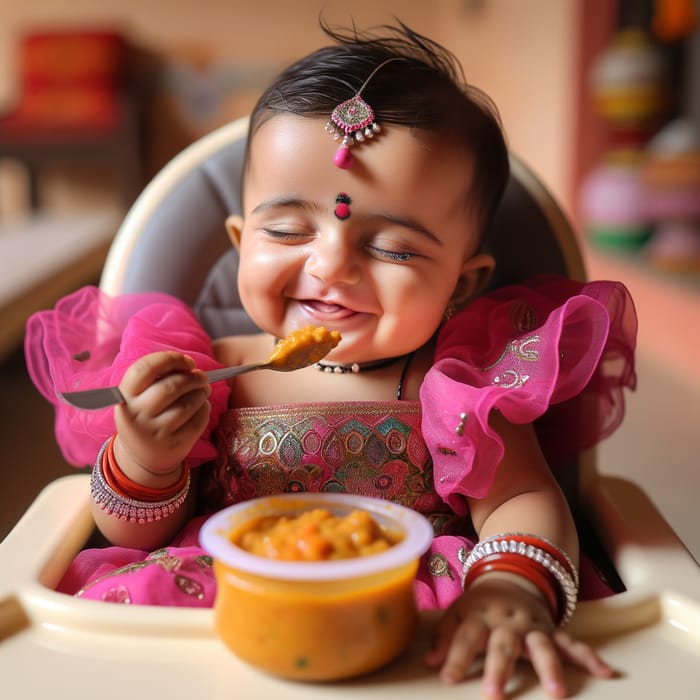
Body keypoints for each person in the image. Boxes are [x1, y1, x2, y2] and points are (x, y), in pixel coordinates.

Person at [25, 20, 637, 699]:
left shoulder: (458, 383)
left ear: (460, 284)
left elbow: (522, 497)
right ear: (240, 241)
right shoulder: (202, 369)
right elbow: (129, 535)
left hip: (415, 611)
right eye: (287, 231)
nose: (332, 267)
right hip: (220, 601)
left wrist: (508, 588)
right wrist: (146, 455)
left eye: (395, 249)